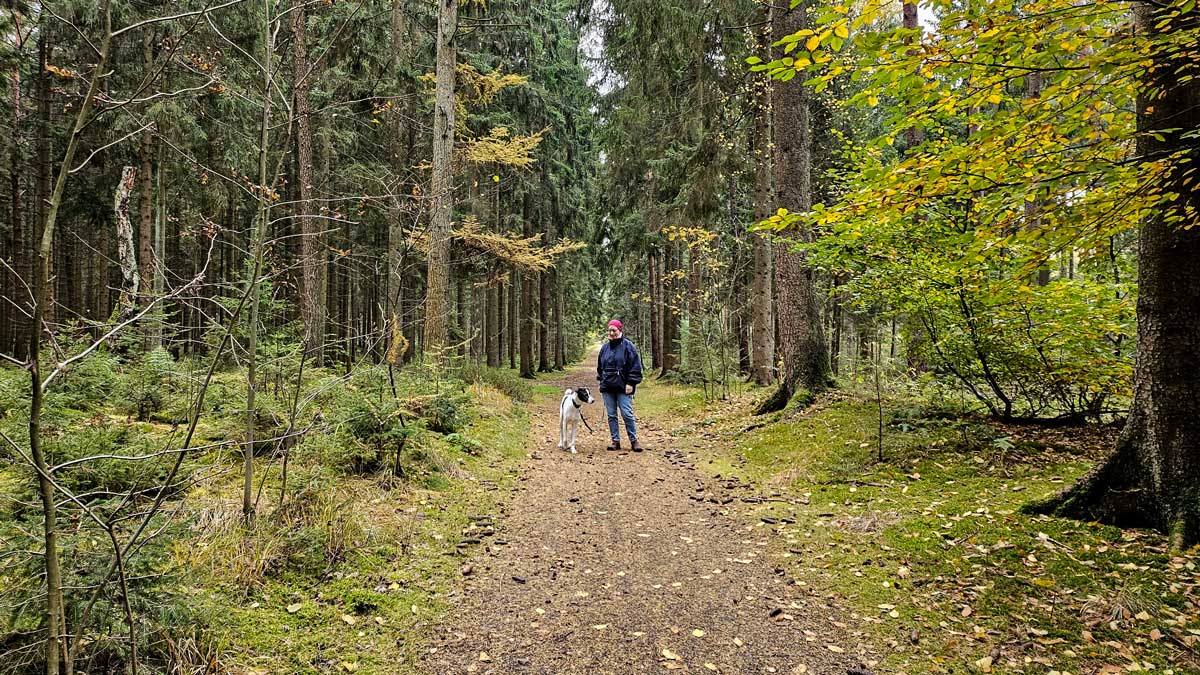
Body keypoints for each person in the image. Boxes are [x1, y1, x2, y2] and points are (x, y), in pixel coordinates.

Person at [596, 319, 644, 452]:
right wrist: (601, 380)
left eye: (614, 330)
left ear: (620, 330)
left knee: (627, 413)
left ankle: (634, 440)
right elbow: (600, 367)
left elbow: (635, 367)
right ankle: (615, 441)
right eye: (610, 330)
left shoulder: (629, 346)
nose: (612, 333)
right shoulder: (604, 348)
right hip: (608, 387)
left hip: (624, 387)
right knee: (611, 415)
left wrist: (631, 383)